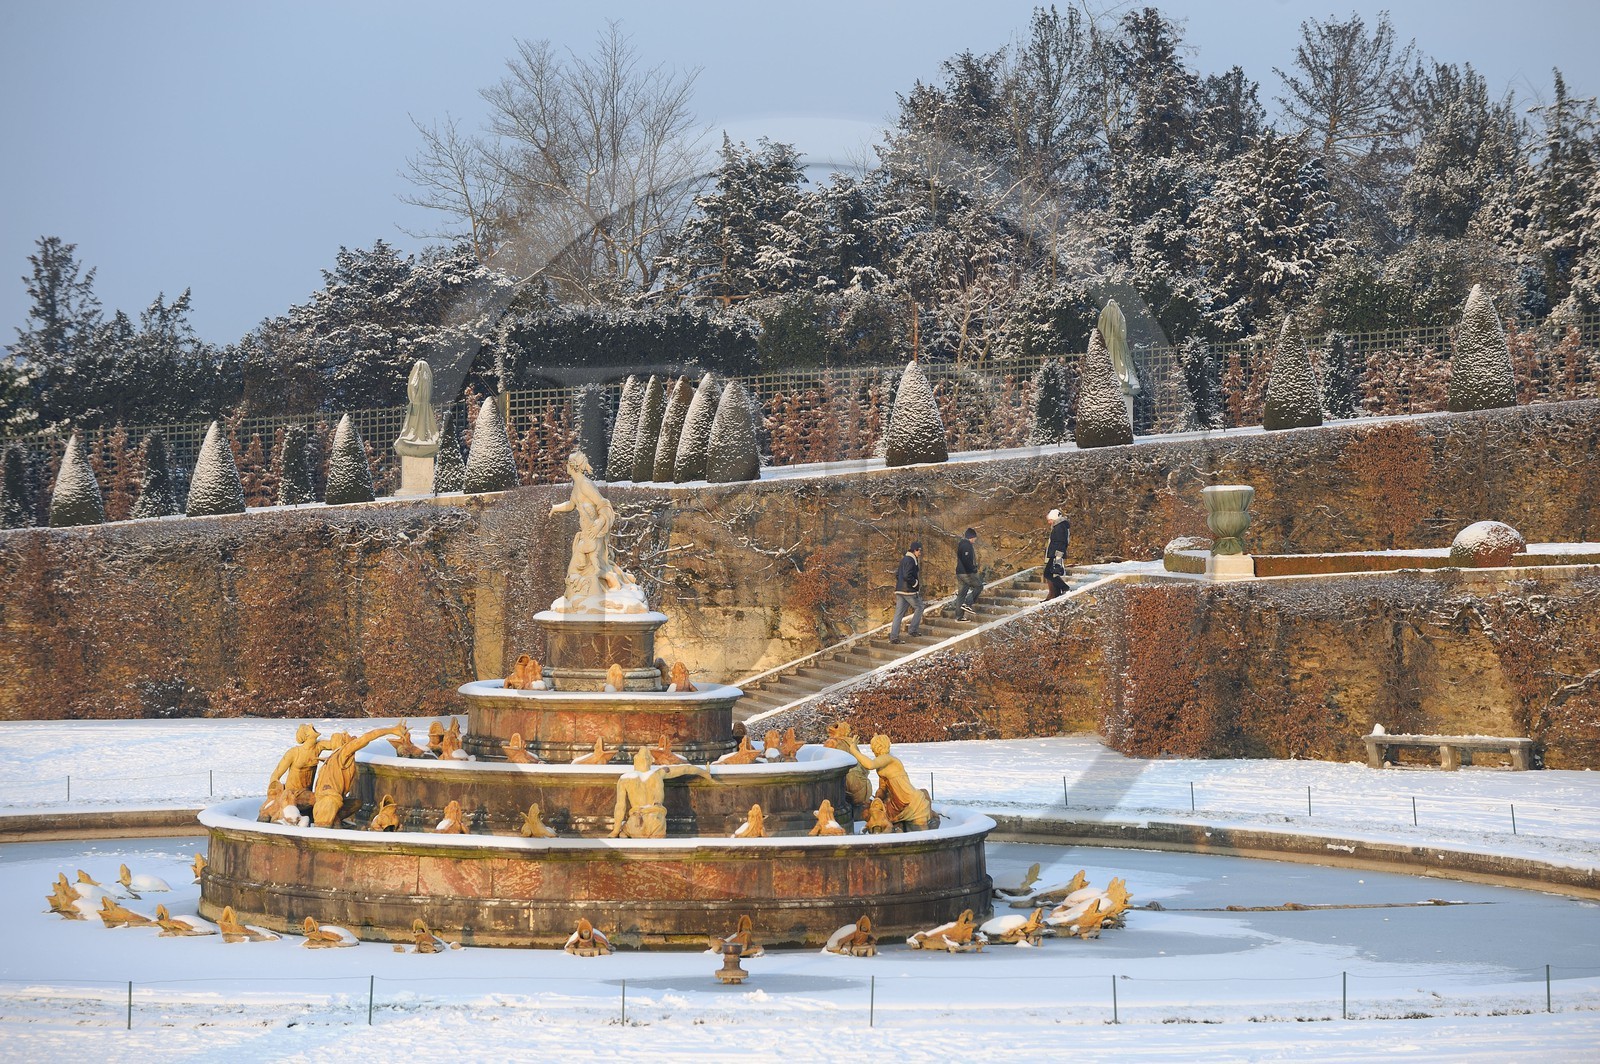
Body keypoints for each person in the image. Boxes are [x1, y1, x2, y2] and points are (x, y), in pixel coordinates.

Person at [890, 540, 924, 644]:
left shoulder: (904, 559)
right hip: (908, 591)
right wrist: (915, 583)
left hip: (900, 590)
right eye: (919, 551)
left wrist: (901, 584)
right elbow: (907, 575)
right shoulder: (911, 560)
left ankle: (894, 637)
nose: (920, 553)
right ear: (915, 550)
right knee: (920, 607)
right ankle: (912, 630)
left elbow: (897, 574)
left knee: (898, 614)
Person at [953, 527, 982, 619]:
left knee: (961, 594)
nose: (975, 539)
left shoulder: (961, 544)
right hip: (966, 573)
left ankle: (959, 616)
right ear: (971, 537)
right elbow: (966, 561)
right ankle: (968, 603)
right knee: (979, 586)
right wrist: (973, 569)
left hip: (960, 573)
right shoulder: (967, 545)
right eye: (974, 538)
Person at [1044, 508, 1071, 599]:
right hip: (1055, 553)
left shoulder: (1059, 527)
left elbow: (1060, 542)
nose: (1049, 522)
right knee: (1051, 573)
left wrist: (1058, 555)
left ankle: (1064, 587)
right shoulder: (1060, 526)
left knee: (1048, 573)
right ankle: (1056, 594)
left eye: (1050, 520)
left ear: (1054, 519)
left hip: (1056, 554)